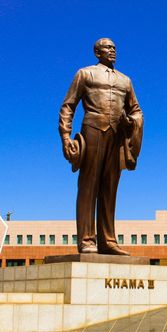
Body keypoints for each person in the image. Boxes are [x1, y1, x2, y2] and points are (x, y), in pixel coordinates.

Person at [59, 38, 143, 255]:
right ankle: (87, 240)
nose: (112, 50)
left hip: (116, 137)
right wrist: (66, 137)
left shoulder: (125, 80)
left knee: (109, 188)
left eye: (115, 47)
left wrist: (131, 122)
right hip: (92, 131)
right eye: (107, 47)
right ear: (97, 52)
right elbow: (68, 106)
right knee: (88, 186)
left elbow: (136, 110)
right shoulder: (85, 74)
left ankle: (108, 240)